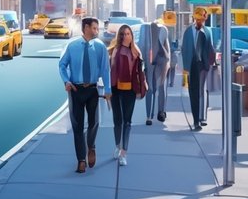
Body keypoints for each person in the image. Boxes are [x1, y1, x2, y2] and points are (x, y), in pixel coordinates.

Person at [58, 17, 112, 173]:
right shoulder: (72, 46)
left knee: (94, 121)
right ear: (86, 27)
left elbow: (105, 69)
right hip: (75, 90)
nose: (97, 31)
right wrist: (66, 81)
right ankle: (81, 160)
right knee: (78, 126)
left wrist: (107, 89)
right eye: (95, 28)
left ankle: (92, 147)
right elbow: (62, 65)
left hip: (93, 89)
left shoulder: (100, 47)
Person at [108, 24, 146, 165]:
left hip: (130, 90)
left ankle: (124, 153)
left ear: (132, 36)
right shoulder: (115, 50)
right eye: (123, 34)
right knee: (117, 120)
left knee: (127, 121)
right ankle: (118, 146)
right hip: (116, 89)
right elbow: (110, 71)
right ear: (119, 36)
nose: (125, 36)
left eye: (128, 33)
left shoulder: (136, 51)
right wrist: (108, 89)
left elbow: (141, 72)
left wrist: (142, 86)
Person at [181, 12, 218, 130]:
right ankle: (196, 118)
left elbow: (211, 48)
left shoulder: (207, 32)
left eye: (202, 20)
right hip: (191, 65)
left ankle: (201, 118)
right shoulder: (187, 32)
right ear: (194, 18)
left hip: (203, 64)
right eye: (198, 19)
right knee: (193, 92)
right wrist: (185, 68)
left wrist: (213, 62)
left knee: (201, 90)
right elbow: (184, 49)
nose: (200, 22)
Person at [139, 19, 171, 125]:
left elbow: (141, 46)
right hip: (159, 61)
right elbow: (167, 52)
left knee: (151, 87)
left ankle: (150, 115)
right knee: (159, 86)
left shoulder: (144, 29)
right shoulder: (163, 30)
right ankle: (159, 112)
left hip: (153, 61)